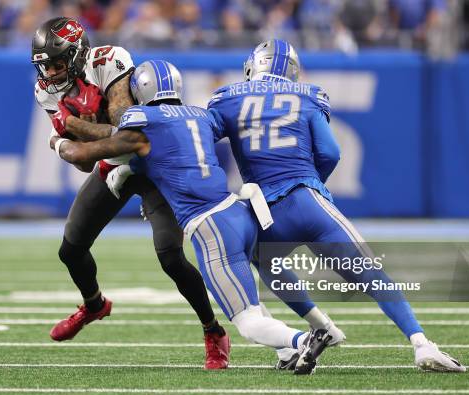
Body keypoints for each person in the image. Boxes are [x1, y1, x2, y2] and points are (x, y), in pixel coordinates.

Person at [50, 59, 332, 375]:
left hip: (209, 224)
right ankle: (287, 348)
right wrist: (131, 169)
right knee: (242, 295)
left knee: (246, 321)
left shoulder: (143, 120)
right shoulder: (200, 115)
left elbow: (83, 154)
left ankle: (306, 338)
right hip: (238, 211)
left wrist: (61, 134)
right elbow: (175, 149)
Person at [206, 39, 466, 373]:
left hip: (266, 214)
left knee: (265, 262)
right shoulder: (307, 96)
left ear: (252, 66)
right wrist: (311, 182)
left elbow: (200, 147)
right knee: (371, 273)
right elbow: (330, 153)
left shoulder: (228, 99)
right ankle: (421, 344)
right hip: (307, 200)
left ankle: (320, 325)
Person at [31, 17, 229, 369]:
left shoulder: (109, 61)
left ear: (78, 56)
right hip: (112, 165)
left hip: (152, 163)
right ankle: (95, 305)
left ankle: (213, 331)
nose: (51, 73)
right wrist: (75, 135)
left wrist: (73, 126)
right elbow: (83, 165)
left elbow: (126, 129)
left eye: (57, 64)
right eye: (45, 65)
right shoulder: (46, 89)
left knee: (170, 257)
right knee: (71, 249)